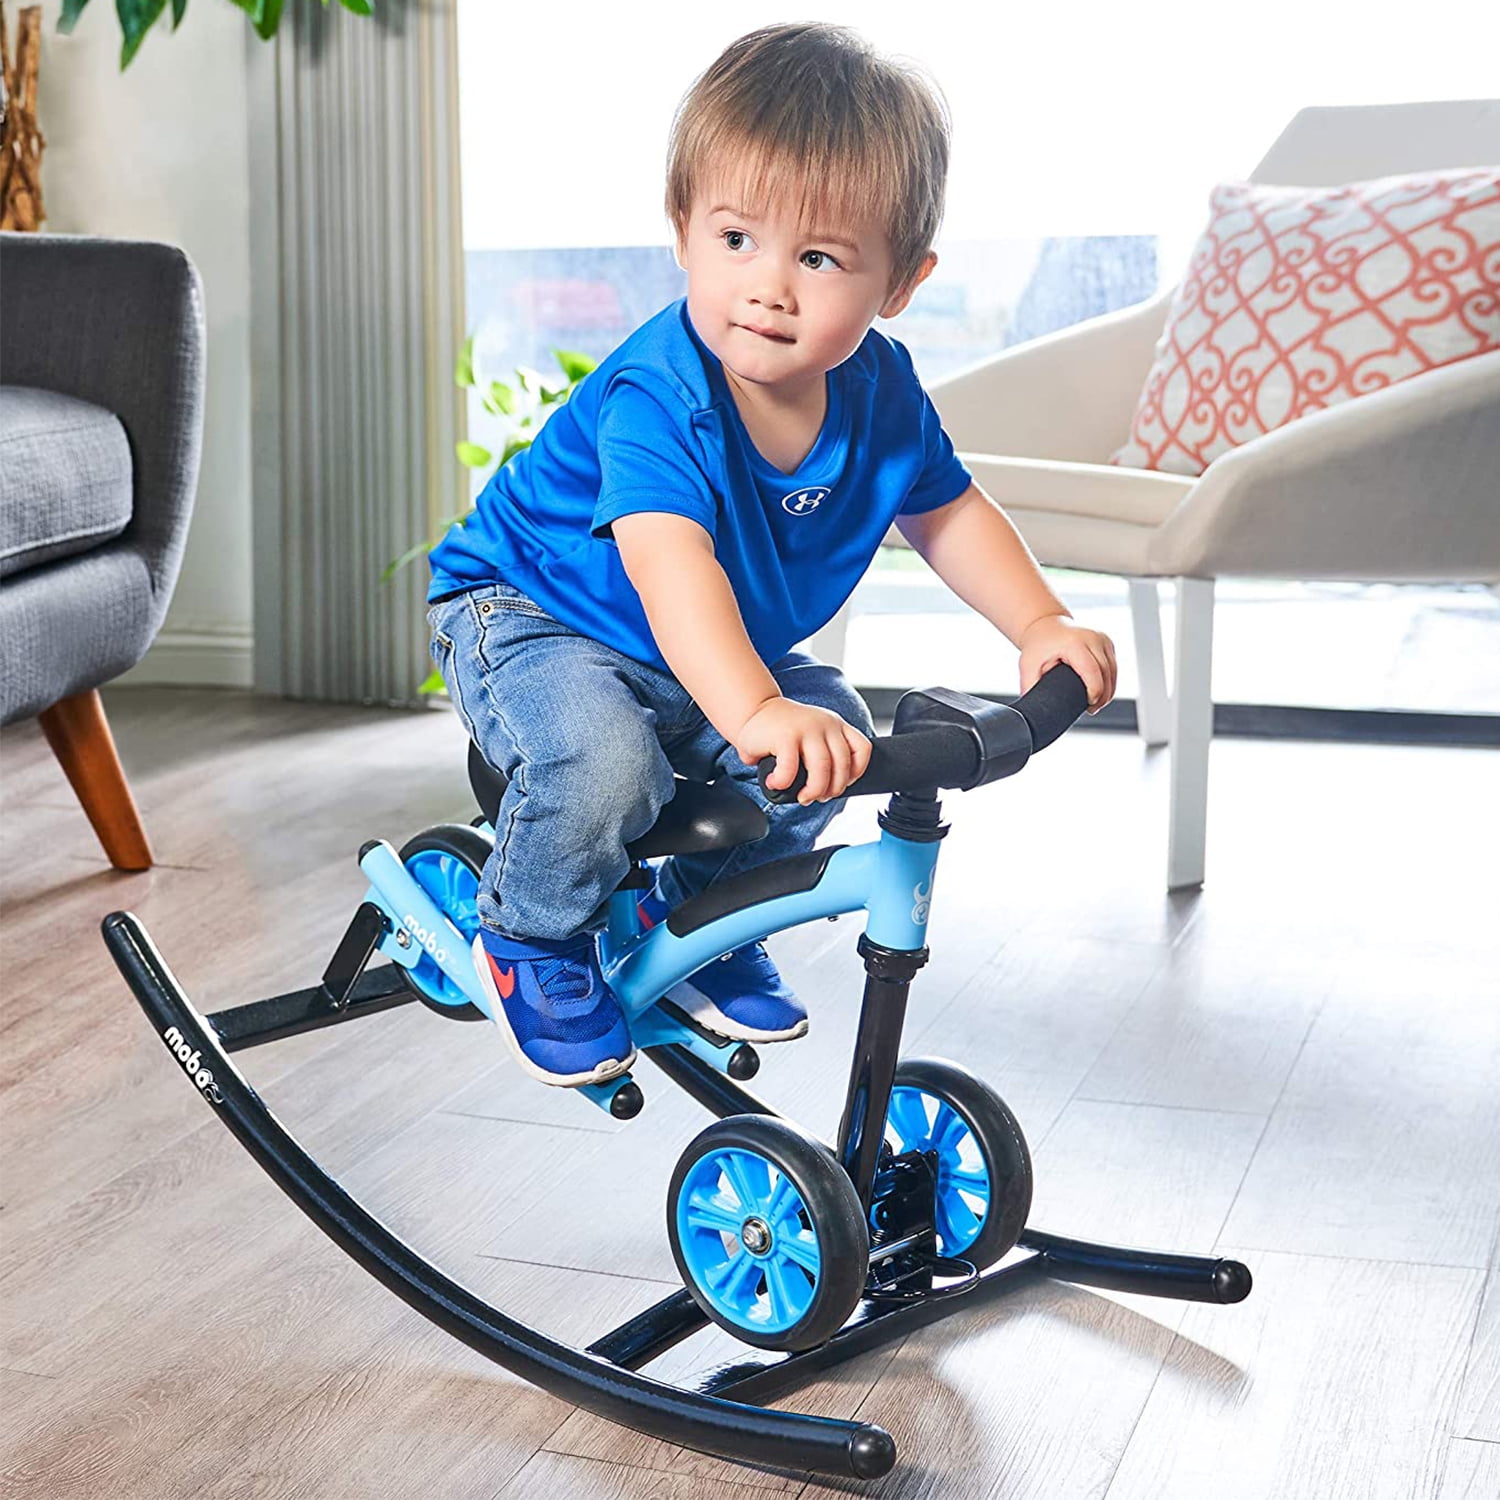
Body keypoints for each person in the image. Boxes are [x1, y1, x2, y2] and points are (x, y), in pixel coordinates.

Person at [426, 22, 1117, 1088]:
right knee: (606, 764)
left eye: (819, 257)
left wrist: (1040, 621)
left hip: (696, 646)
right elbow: (670, 567)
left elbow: (946, 511)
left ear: (901, 282)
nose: (769, 287)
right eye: (737, 239)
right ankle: (530, 933)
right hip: (536, 611)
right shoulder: (661, 393)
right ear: (683, 231)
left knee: (830, 737)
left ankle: (703, 918)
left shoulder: (882, 392)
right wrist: (753, 709)